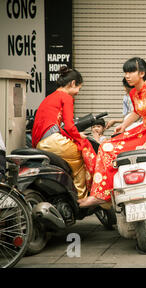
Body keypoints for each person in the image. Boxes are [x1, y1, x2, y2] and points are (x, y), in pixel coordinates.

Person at [78, 57, 146, 207]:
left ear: (142, 73)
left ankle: (101, 195)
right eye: (125, 72)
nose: (127, 75)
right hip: (142, 130)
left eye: (131, 71)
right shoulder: (134, 93)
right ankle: (102, 193)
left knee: (107, 148)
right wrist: (124, 125)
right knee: (105, 146)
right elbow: (136, 112)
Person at [31, 66, 97, 199]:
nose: (78, 92)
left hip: (41, 144)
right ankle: (81, 199)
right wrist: (79, 137)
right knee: (81, 157)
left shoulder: (50, 97)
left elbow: (58, 127)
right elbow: (70, 126)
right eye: (79, 88)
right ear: (72, 83)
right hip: (53, 141)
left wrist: (77, 135)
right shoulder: (66, 97)